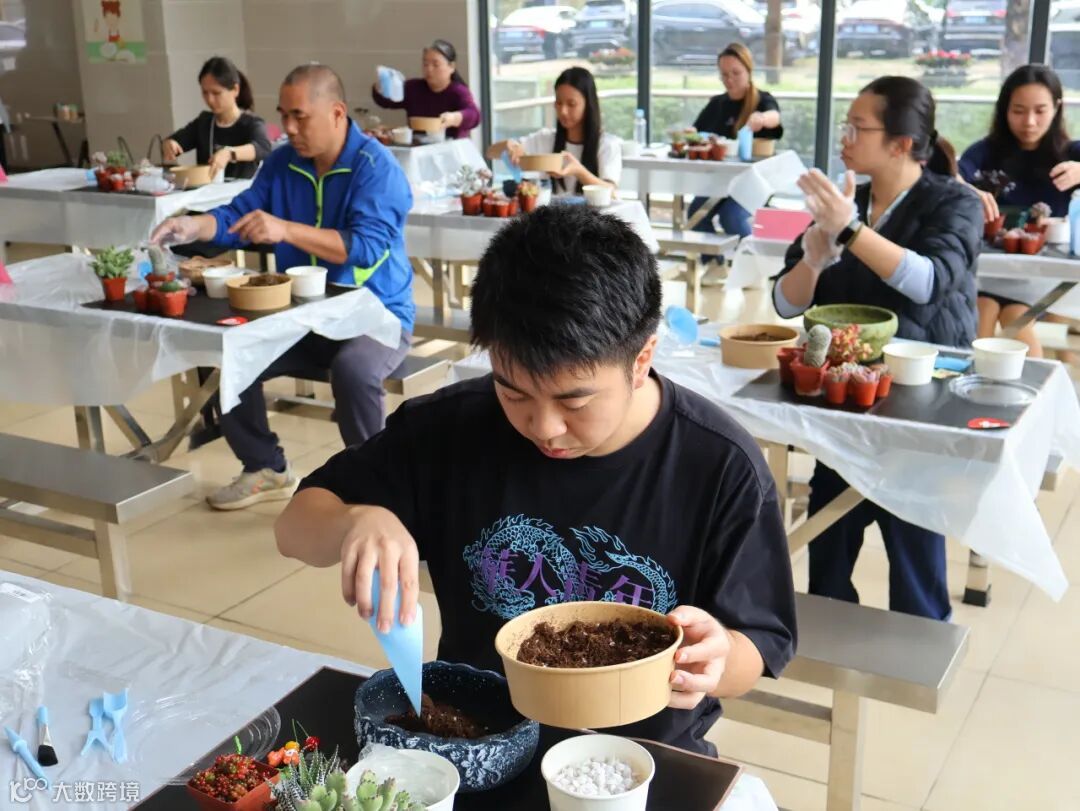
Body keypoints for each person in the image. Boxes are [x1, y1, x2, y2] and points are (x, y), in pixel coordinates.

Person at [275, 205, 797, 756]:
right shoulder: (447, 429)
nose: (544, 427)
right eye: (513, 391)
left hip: (638, 759)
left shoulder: (719, 465)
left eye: (575, 401)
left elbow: (756, 646)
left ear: (641, 359)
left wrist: (716, 659)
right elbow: (293, 531)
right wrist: (357, 520)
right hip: (476, 744)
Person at [151, 64, 414, 511]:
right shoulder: (282, 162)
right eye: (283, 116)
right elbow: (241, 214)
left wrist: (285, 229)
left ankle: (381, 487)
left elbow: (365, 247)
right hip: (303, 313)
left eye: (299, 116)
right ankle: (265, 467)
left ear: (336, 113)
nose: (288, 128)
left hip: (376, 314)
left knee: (353, 371)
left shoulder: (375, 168)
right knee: (233, 353)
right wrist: (193, 226)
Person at [774, 76, 982, 621]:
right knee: (829, 533)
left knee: (913, 538)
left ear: (901, 143)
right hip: (844, 399)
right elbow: (785, 301)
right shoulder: (850, 201)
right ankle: (825, 633)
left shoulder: (955, 202)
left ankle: (923, 639)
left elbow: (929, 282)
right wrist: (813, 258)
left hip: (918, 403)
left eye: (857, 128)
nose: (844, 138)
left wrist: (849, 232)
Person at [958, 64, 1080, 359]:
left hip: (1045, 273)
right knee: (987, 308)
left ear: (1057, 108)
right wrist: (968, 189)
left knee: (1010, 315)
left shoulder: (1070, 153)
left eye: (1040, 110)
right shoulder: (985, 153)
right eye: (1018, 111)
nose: (1029, 122)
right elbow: (948, 176)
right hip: (990, 268)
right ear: (1004, 109)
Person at [688, 43, 784, 240]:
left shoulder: (762, 100)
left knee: (731, 217)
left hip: (754, 183)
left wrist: (761, 118)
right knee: (696, 215)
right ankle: (714, 258)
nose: (729, 79)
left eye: (736, 73)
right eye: (724, 74)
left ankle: (751, 258)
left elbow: (774, 117)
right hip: (720, 181)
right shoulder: (717, 104)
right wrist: (689, 134)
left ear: (749, 71)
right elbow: (696, 132)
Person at [486, 67, 621, 196]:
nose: (563, 111)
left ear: (588, 104)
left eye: (571, 104)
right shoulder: (545, 139)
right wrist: (510, 145)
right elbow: (490, 152)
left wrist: (578, 171)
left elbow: (612, 193)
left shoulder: (607, 145)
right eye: (559, 103)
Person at [163, 56, 272, 181]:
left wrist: (229, 154)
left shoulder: (252, 123)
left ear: (235, 90)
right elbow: (174, 141)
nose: (210, 100)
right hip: (209, 191)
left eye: (216, 93)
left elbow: (263, 148)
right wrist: (169, 144)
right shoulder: (204, 122)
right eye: (205, 93)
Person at [371, 40, 481, 140]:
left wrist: (454, 118)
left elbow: (474, 115)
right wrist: (380, 87)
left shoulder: (458, 92)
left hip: (450, 149)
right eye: (425, 64)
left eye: (435, 65)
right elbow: (386, 102)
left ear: (451, 67)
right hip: (418, 148)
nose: (429, 69)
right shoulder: (413, 88)